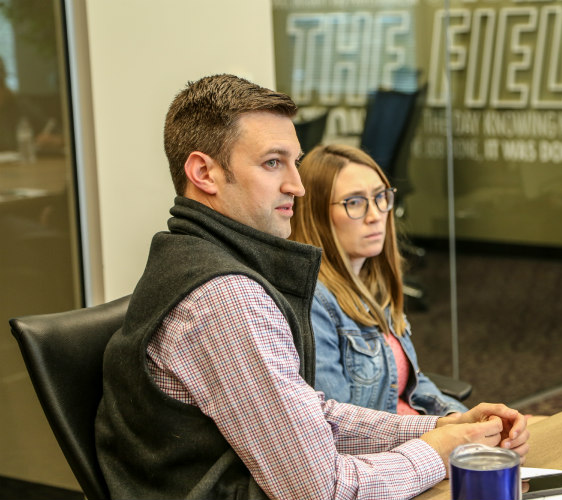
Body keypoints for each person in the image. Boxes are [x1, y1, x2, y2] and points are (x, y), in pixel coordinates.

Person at [95, 74, 529, 500]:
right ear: (204, 172)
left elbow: (308, 414)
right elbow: (321, 490)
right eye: (272, 163)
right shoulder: (224, 297)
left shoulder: (199, 262)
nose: (297, 186)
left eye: (294, 162)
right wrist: (438, 452)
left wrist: (436, 427)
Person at [289, 144, 467, 417]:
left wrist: (461, 419)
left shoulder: (372, 283)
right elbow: (340, 428)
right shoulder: (314, 302)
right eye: (355, 202)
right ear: (316, 215)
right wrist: (440, 434)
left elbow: (412, 384)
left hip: (421, 438)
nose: (375, 216)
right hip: (394, 452)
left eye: (381, 197)